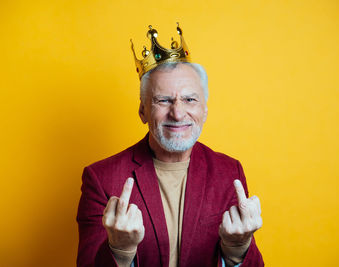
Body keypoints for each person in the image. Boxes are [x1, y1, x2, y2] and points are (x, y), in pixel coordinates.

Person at [77, 24, 264, 267]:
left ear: (204, 110)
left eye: (189, 99)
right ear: (143, 111)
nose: (177, 113)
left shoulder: (228, 172)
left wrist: (238, 250)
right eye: (163, 100)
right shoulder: (101, 179)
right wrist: (119, 251)